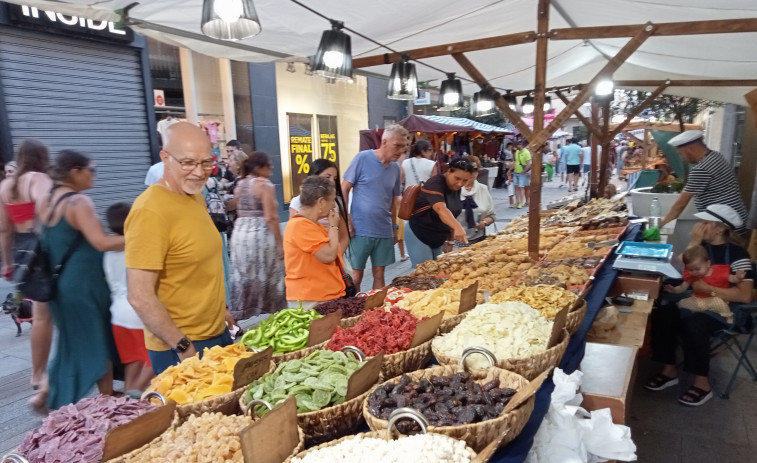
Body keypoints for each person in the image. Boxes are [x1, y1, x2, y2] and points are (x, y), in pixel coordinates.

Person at [126, 122, 232, 375]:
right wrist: (183, 346)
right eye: (188, 163)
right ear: (165, 157)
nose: (199, 172)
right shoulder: (149, 211)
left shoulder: (193, 196)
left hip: (216, 334)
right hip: (183, 347)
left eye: (207, 162)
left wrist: (223, 312)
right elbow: (139, 296)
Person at [38, 150, 124, 409]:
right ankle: (105, 398)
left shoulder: (47, 200)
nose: (94, 176)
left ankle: (54, 391)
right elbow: (102, 242)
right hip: (85, 283)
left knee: (73, 342)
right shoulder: (78, 202)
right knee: (97, 338)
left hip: (59, 283)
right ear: (75, 172)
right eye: (91, 170)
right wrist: (144, 237)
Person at [646, 204, 754, 406]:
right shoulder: (700, 249)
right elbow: (678, 272)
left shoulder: (738, 255)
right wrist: (694, 243)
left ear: (720, 228)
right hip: (696, 300)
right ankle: (669, 370)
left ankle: (702, 383)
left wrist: (708, 289)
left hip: (724, 308)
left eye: (705, 223)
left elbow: (745, 296)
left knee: (695, 324)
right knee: (663, 313)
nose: (698, 226)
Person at [0, 140, 53, 408]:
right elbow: (48, 211)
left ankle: (37, 373)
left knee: (40, 316)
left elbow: (4, 230)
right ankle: (50, 378)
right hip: (42, 248)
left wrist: (7, 263)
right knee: (49, 315)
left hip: (21, 249)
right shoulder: (38, 179)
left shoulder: (6, 187)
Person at [342, 124, 406, 290]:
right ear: (384, 142)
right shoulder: (362, 158)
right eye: (397, 145)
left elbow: (394, 200)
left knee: (380, 274)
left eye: (403, 146)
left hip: (383, 229)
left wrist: (393, 227)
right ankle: (351, 312)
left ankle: (376, 312)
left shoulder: (395, 169)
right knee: (356, 275)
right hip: (359, 228)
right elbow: (344, 188)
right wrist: (346, 219)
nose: (400, 151)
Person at [103, 202, 153, 397]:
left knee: (132, 359)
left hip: (117, 314)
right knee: (156, 352)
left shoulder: (108, 250)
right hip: (137, 311)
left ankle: (128, 395)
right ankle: (138, 390)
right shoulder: (137, 244)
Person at [229, 151, 286, 319]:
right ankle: (274, 312)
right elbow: (271, 217)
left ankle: (239, 314)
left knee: (243, 274)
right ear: (260, 167)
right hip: (260, 235)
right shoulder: (264, 185)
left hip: (240, 234)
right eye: (269, 166)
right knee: (269, 273)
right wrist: (280, 242)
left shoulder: (240, 184)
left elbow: (235, 206)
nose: (271, 170)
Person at [660, 130, 748, 234]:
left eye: (681, 153)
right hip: (736, 218)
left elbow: (681, 204)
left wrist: (661, 224)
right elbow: (691, 187)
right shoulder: (716, 156)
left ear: (691, 148)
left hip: (725, 226)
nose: (682, 157)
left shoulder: (702, 168)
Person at [284, 176, 346, 307]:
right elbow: (328, 255)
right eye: (332, 200)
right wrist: (334, 226)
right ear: (321, 202)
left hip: (321, 296)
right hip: (312, 299)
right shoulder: (300, 225)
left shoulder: (312, 224)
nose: (334, 205)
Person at [405, 158, 476, 267]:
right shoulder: (435, 183)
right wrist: (458, 227)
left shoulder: (456, 188)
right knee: (423, 275)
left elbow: (452, 214)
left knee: (437, 272)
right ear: (448, 172)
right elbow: (440, 209)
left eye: (465, 180)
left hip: (437, 237)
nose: (459, 183)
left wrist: (450, 240)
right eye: (457, 178)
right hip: (419, 233)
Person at [664, 245, 746, 319]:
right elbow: (683, 287)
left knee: (718, 302)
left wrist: (738, 277)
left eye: (697, 269)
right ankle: (692, 312)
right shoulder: (692, 276)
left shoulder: (718, 271)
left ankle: (729, 316)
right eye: (691, 270)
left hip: (717, 299)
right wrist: (674, 290)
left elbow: (732, 279)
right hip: (698, 300)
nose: (695, 272)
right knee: (681, 303)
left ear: (708, 263)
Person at [289, 159, 349, 255]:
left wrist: (337, 258)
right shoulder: (297, 205)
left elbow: (344, 237)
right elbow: (296, 237)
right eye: (327, 177)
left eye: (335, 178)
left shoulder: (336, 202)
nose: (332, 182)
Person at [457, 165, 496, 244]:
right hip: (457, 241)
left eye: (474, 171)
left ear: (476, 174)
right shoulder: (454, 189)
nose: (471, 174)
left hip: (479, 239)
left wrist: (484, 222)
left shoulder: (483, 189)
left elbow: (492, 215)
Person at [512, 140, 531, 209]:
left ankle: (521, 202)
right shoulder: (517, 152)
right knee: (516, 187)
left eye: (519, 144)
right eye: (517, 144)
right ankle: (517, 201)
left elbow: (528, 164)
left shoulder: (526, 152)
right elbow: (515, 162)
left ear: (522, 145)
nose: (517, 146)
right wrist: (510, 170)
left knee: (521, 187)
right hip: (516, 171)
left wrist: (524, 171)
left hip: (522, 172)